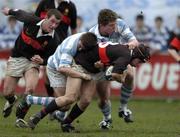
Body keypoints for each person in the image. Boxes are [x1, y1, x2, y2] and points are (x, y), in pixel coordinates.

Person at [27, 42, 150, 131]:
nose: (138, 65)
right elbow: (114, 74)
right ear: (136, 56)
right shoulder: (126, 56)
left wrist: (105, 68)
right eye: (140, 61)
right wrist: (122, 79)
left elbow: (107, 63)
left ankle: (66, 123)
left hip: (91, 69)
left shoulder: (125, 50)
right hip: (79, 65)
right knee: (70, 98)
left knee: (85, 100)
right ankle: (37, 115)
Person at [14, 32, 98, 128]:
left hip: (70, 67)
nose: (80, 49)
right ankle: (29, 99)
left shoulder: (90, 38)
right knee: (65, 105)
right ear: (80, 40)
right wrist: (83, 75)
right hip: (56, 69)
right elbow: (62, 69)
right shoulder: (70, 47)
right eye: (80, 46)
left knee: (68, 100)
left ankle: (60, 116)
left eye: (83, 48)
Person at [1, 7, 62, 127]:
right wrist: (9, 11)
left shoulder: (54, 40)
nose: (54, 25)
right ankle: (11, 99)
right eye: (52, 21)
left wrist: (42, 60)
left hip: (33, 63)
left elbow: (51, 59)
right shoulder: (31, 20)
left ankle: (20, 118)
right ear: (46, 18)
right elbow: (19, 13)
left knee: (30, 90)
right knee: (7, 93)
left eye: (57, 23)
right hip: (17, 58)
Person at [86, 9, 139, 129]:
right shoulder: (92, 36)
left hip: (119, 60)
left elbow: (134, 40)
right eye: (111, 25)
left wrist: (131, 44)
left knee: (130, 73)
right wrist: (98, 64)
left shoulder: (119, 23)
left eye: (115, 24)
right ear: (102, 25)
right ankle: (107, 119)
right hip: (103, 66)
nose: (115, 28)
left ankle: (123, 108)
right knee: (103, 99)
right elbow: (92, 60)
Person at [34, 0, 77, 115]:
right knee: (48, 77)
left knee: (61, 77)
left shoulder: (71, 6)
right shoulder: (45, 3)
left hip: (62, 48)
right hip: (45, 45)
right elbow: (35, 21)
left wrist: (74, 46)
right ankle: (55, 106)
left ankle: (59, 109)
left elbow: (73, 28)